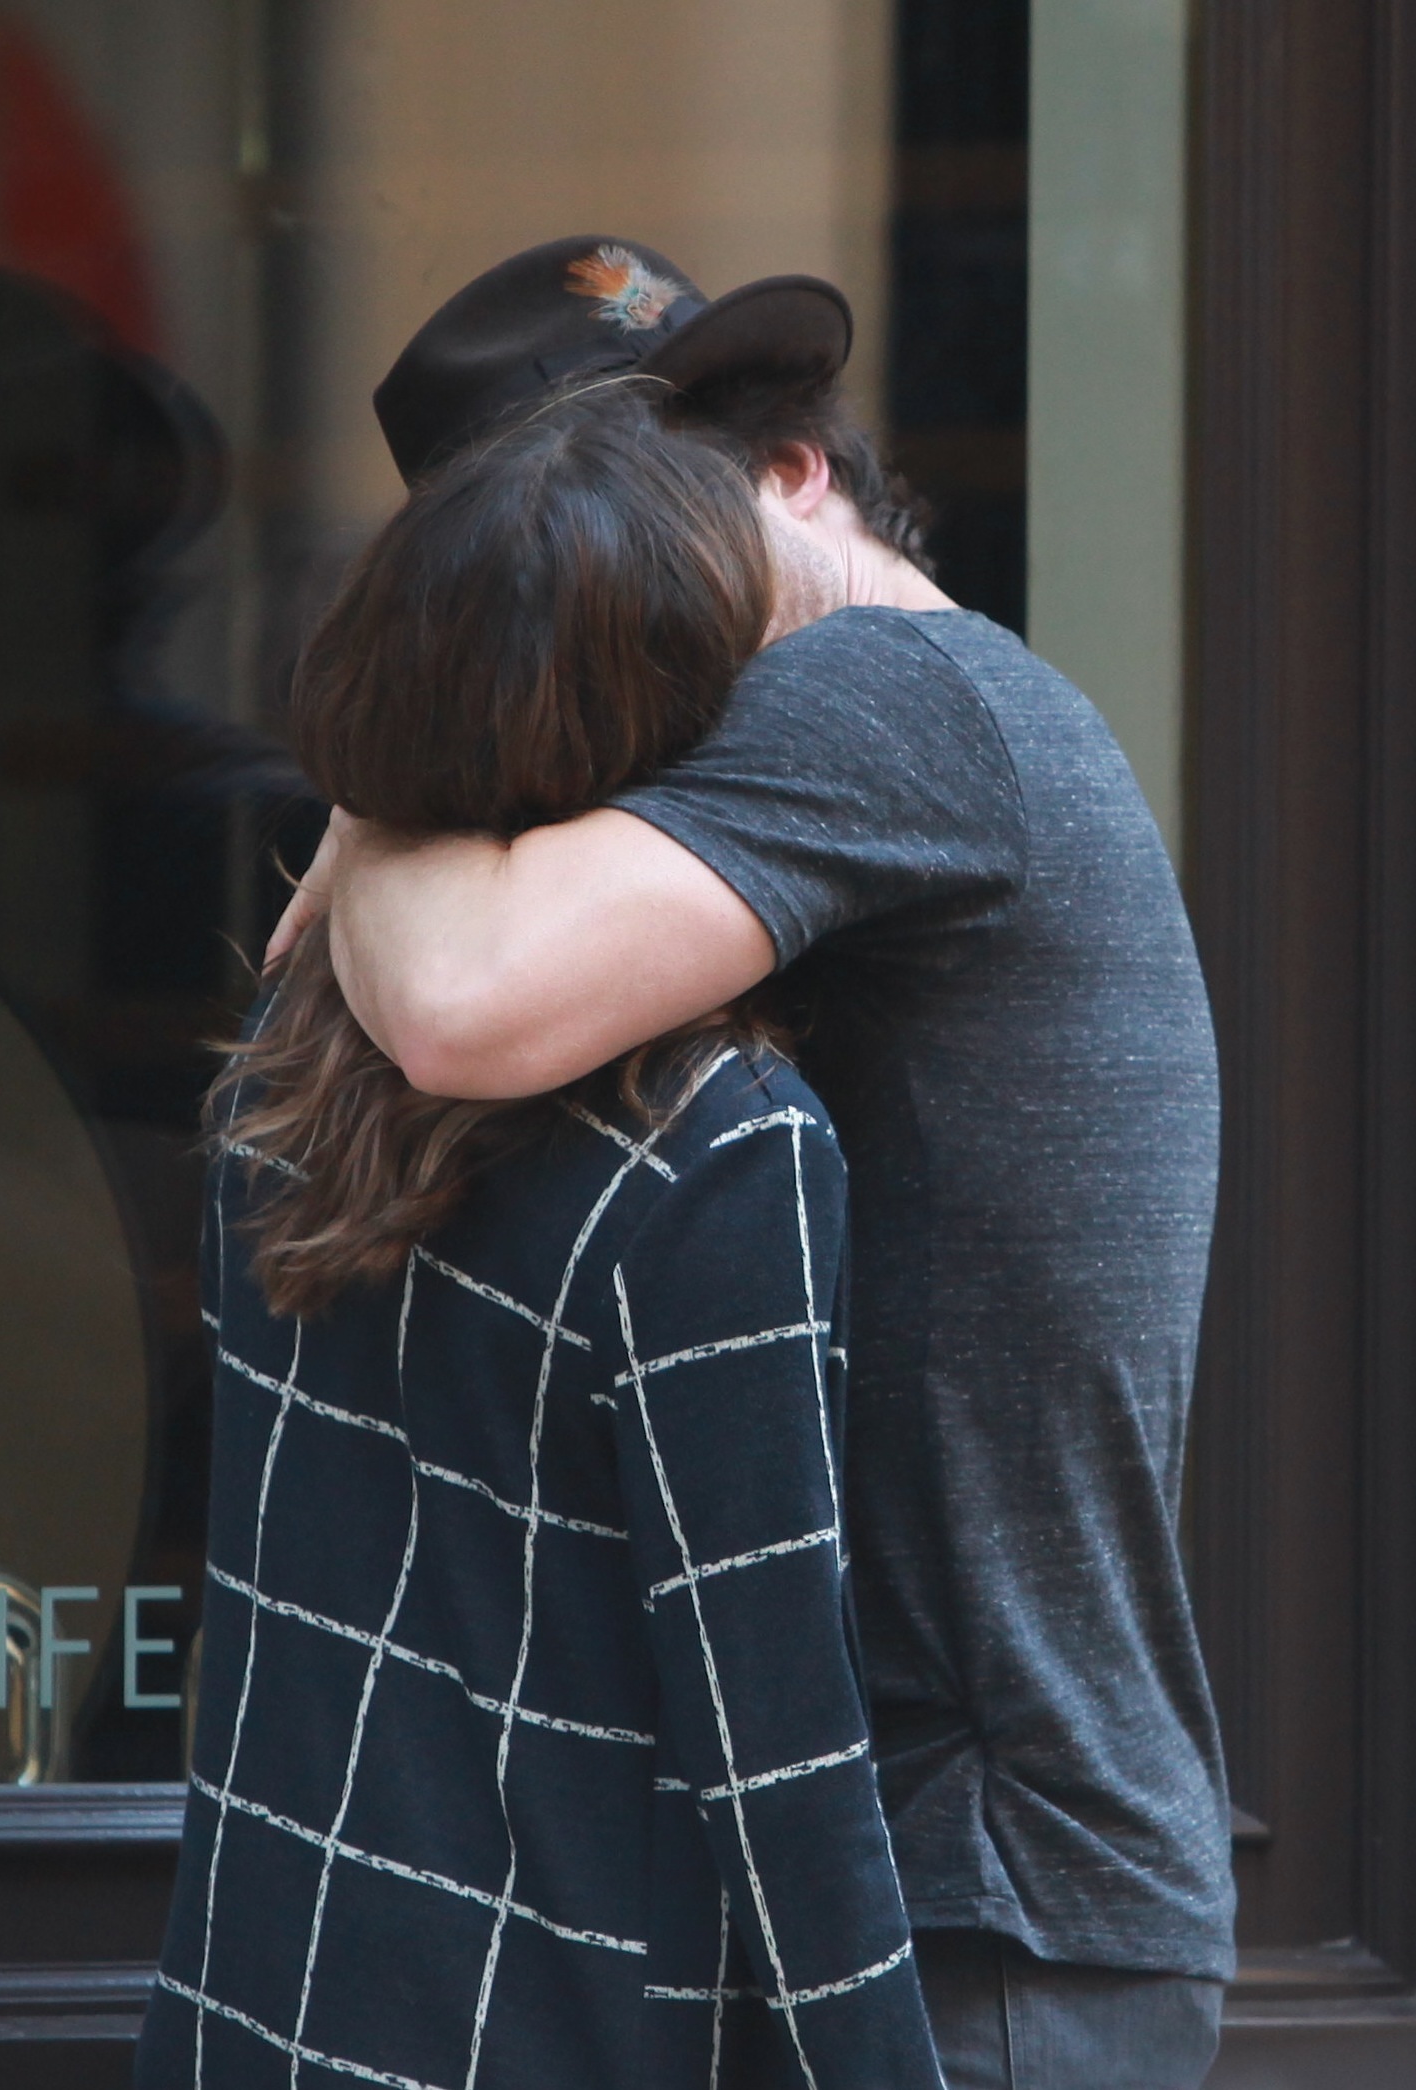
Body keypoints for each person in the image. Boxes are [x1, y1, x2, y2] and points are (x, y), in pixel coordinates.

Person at [278, 238, 1235, 2088]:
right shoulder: (879, 731)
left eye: (652, 521)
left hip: (984, 1918)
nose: (615, 598)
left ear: (798, 473)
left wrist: (378, 798)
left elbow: (462, 1001)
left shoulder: (891, 691)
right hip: (941, 1890)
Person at [137, 384, 944, 2089]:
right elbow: (781, 1756)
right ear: (694, 722)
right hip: (554, 2026)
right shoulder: (716, 1150)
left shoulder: (288, 1048)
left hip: (255, 2006)